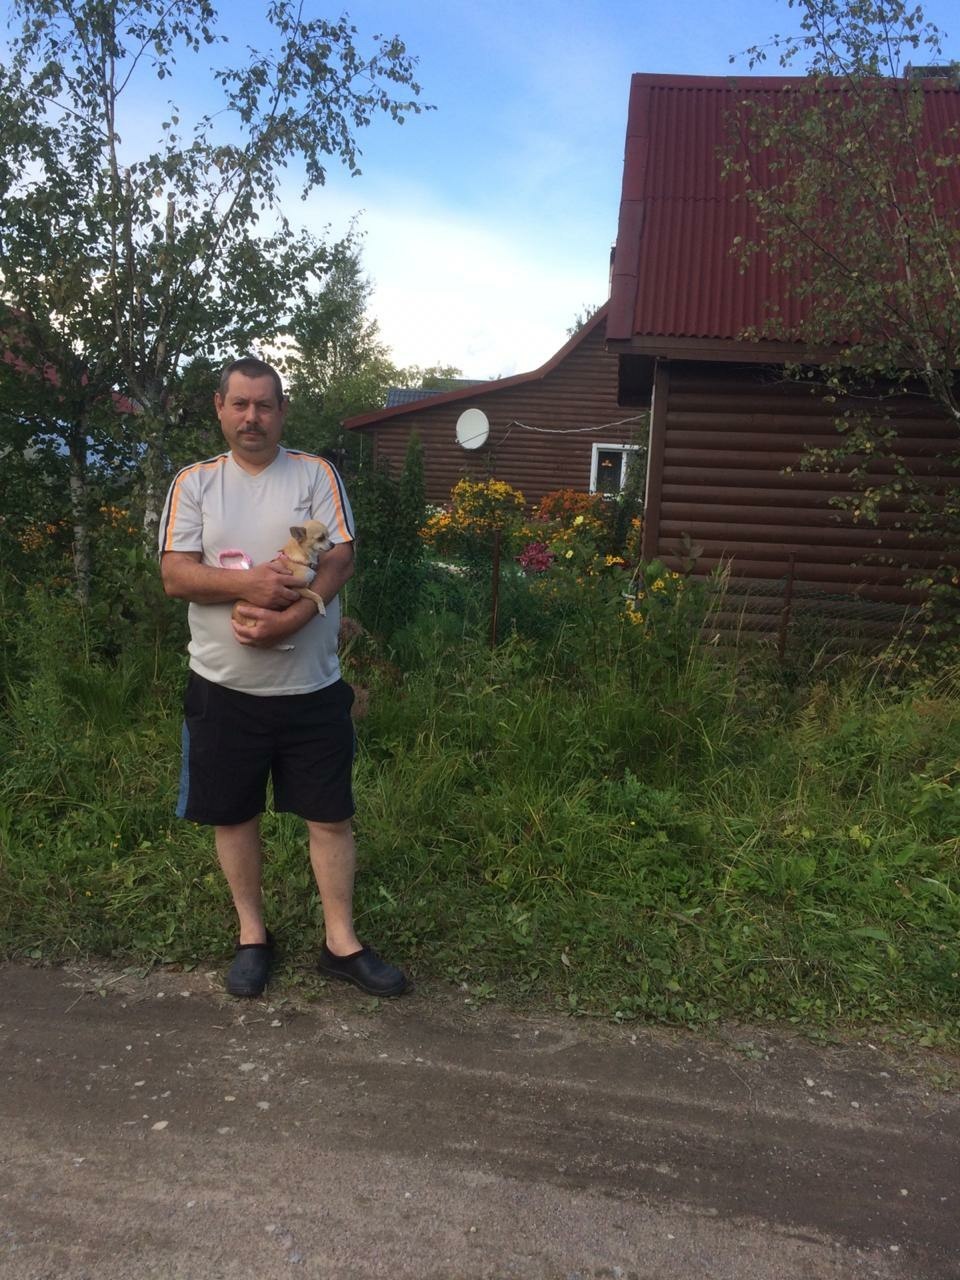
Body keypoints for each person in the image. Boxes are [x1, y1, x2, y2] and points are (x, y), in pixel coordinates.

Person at [158, 355, 407, 1000]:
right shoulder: (196, 484)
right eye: (240, 404)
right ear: (220, 408)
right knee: (233, 814)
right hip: (222, 688)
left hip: (311, 688)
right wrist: (250, 586)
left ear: (282, 410)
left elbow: (339, 557)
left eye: (264, 405)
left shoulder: (314, 474)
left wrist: (289, 618)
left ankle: (341, 942)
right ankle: (252, 937)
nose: (252, 417)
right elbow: (176, 574)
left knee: (330, 815)